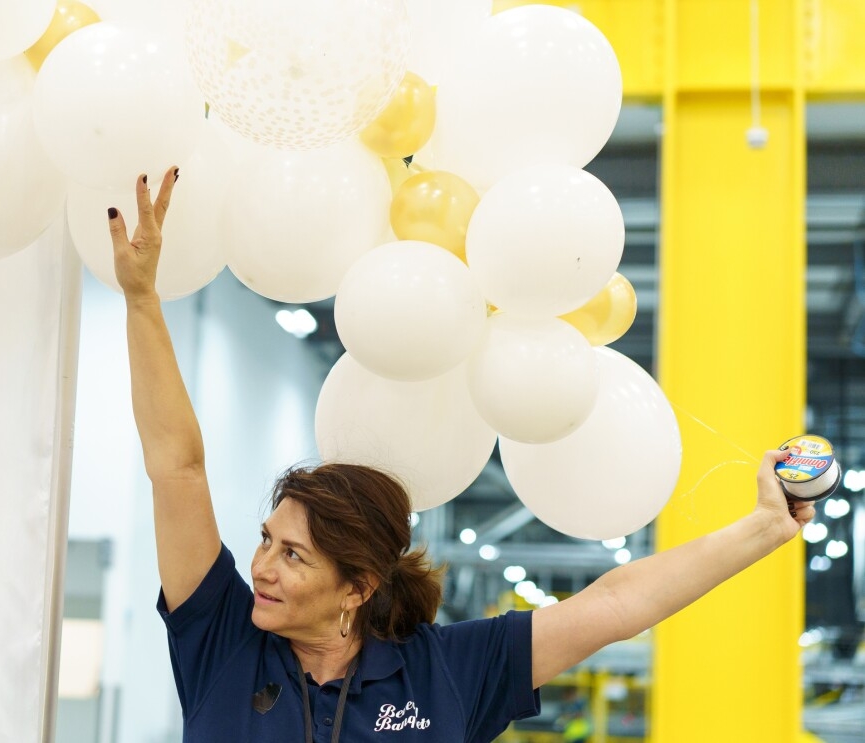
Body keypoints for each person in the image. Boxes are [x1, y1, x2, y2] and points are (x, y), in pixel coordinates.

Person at [108, 169, 816, 743]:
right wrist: (142, 299)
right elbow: (178, 465)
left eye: (293, 554)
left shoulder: (447, 671)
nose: (261, 564)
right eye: (268, 539)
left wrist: (762, 528)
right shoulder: (222, 639)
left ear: (356, 587)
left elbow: (618, 604)